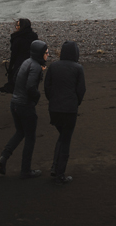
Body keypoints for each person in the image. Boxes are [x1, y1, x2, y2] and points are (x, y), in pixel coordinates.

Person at [0, 40, 49, 179]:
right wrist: (37, 97)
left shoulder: (27, 62)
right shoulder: (36, 66)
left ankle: (4, 157)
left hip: (14, 103)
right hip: (25, 106)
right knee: (30, 138)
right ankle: (26, 170)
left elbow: (17, 78)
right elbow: (31, 87)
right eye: (46, 52)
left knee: (20, 132)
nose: (48, 55)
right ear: (40, 53)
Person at [44, 41, 86, 184]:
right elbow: (81, 90)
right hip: (69, 110)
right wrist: (75, 102)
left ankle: (55, 167)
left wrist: (53, 100)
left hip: (54, 109)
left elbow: (47, 86)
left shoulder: (54, 66)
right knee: (66, 139)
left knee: (62, 136)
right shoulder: (78, 68)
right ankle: (59, 173)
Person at [0, 18, 39, 96]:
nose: (16, 27)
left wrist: (10, 68)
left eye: (18, 25)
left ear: (22, 26)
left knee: (17, 81)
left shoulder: (17, 37)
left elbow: (14, 54)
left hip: (20, 62)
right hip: (31, 62)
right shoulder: (33, 36)